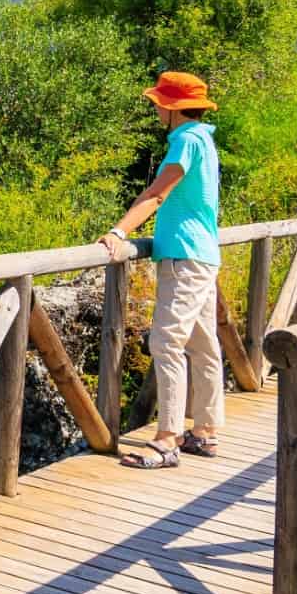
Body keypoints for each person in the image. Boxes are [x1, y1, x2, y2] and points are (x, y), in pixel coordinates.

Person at [99, 71, 222, 470]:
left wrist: (119, 231)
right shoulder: (204, 138)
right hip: (202, 254)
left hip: (184, 257)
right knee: (202, 345)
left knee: (166, 343)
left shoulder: (185, 140)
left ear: (170, 107)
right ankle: (203, 432)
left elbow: (156, 193)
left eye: (157, 103)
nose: (154, 109)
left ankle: (167, 439)